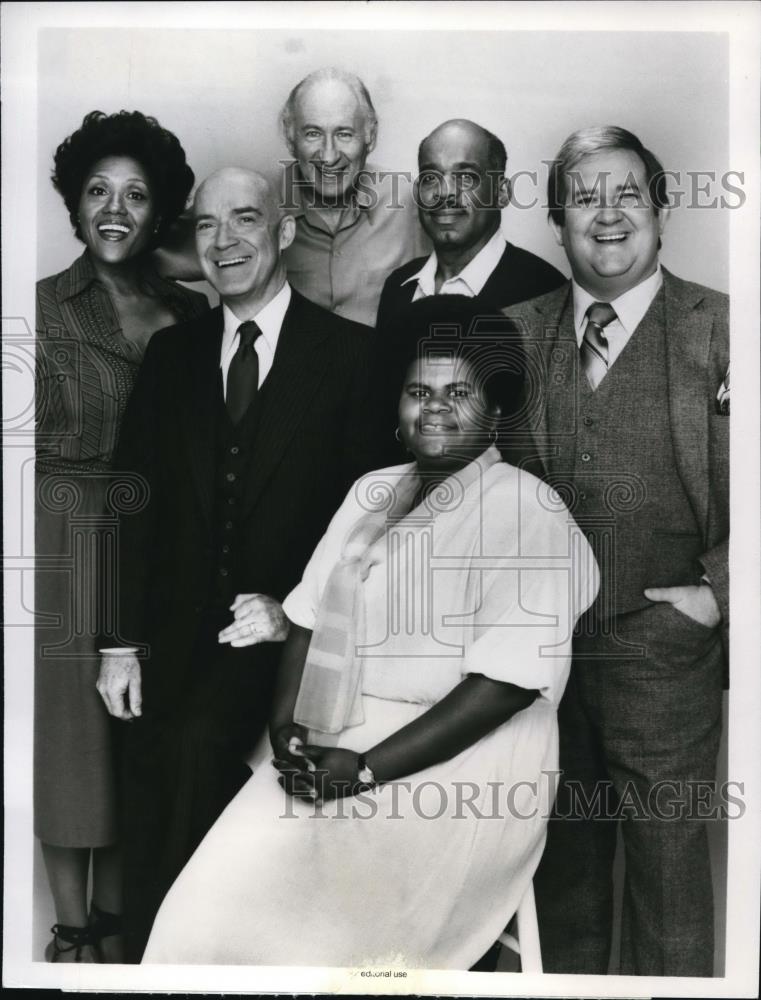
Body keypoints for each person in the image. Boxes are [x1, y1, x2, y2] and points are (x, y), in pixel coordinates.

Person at [142, 296, 599, 968]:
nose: (434, 408)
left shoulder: (528, 510)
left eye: (458, 393)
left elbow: (503, 688)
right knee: (206, 901)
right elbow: (306, 621)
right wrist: (287, 730)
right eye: (418, 391)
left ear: (497, 409)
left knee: (321, 932)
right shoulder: (372, 492)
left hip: (466, 763)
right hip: (340, 736)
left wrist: (362, 770)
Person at [96, 167, 376, 962]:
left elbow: (370, 525)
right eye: (207, 226)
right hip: (167, 634)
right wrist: (119, 643)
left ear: (283, 231)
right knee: (144, 769)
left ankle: (194, 963)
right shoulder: (171, 354)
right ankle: (146, 967)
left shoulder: (352, 355)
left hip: (284, 646)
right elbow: (131, 505)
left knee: (198, 756)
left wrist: (291, 609)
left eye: (244, 220)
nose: (224, 242)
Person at [505, 126, 729, 976]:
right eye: (584, 198)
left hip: (664, 656)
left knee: (669, 887)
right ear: (556, 223)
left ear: (661, 213)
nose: (607, 215)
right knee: (560, 885)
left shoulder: (723, 329)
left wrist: (715, 594)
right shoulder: (513, 334)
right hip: (542, 662)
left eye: (627, 194)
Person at [34, 109, 208, 964]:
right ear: (73, 204)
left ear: (160, 212)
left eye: (136, 196)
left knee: (141, 730)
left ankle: (117, 922)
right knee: (74, 736)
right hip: (68, 536)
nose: (113, 210)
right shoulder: (38, 306)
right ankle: (73, 931)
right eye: (97, 192)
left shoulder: (188, 309)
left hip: (164, 540)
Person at [373, 119, 565, 461]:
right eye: (431, 177)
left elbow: (550, 440)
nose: (445, 193)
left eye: (466, 177)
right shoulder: (398, 288)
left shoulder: (544, 290)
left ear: (502, 192)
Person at [279, 66, 427, 326]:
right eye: (313, 134)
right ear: (291, 139)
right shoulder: (261, 203)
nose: (328, 156)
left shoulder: (410, 202)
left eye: (344, 134)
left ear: (371, 136)